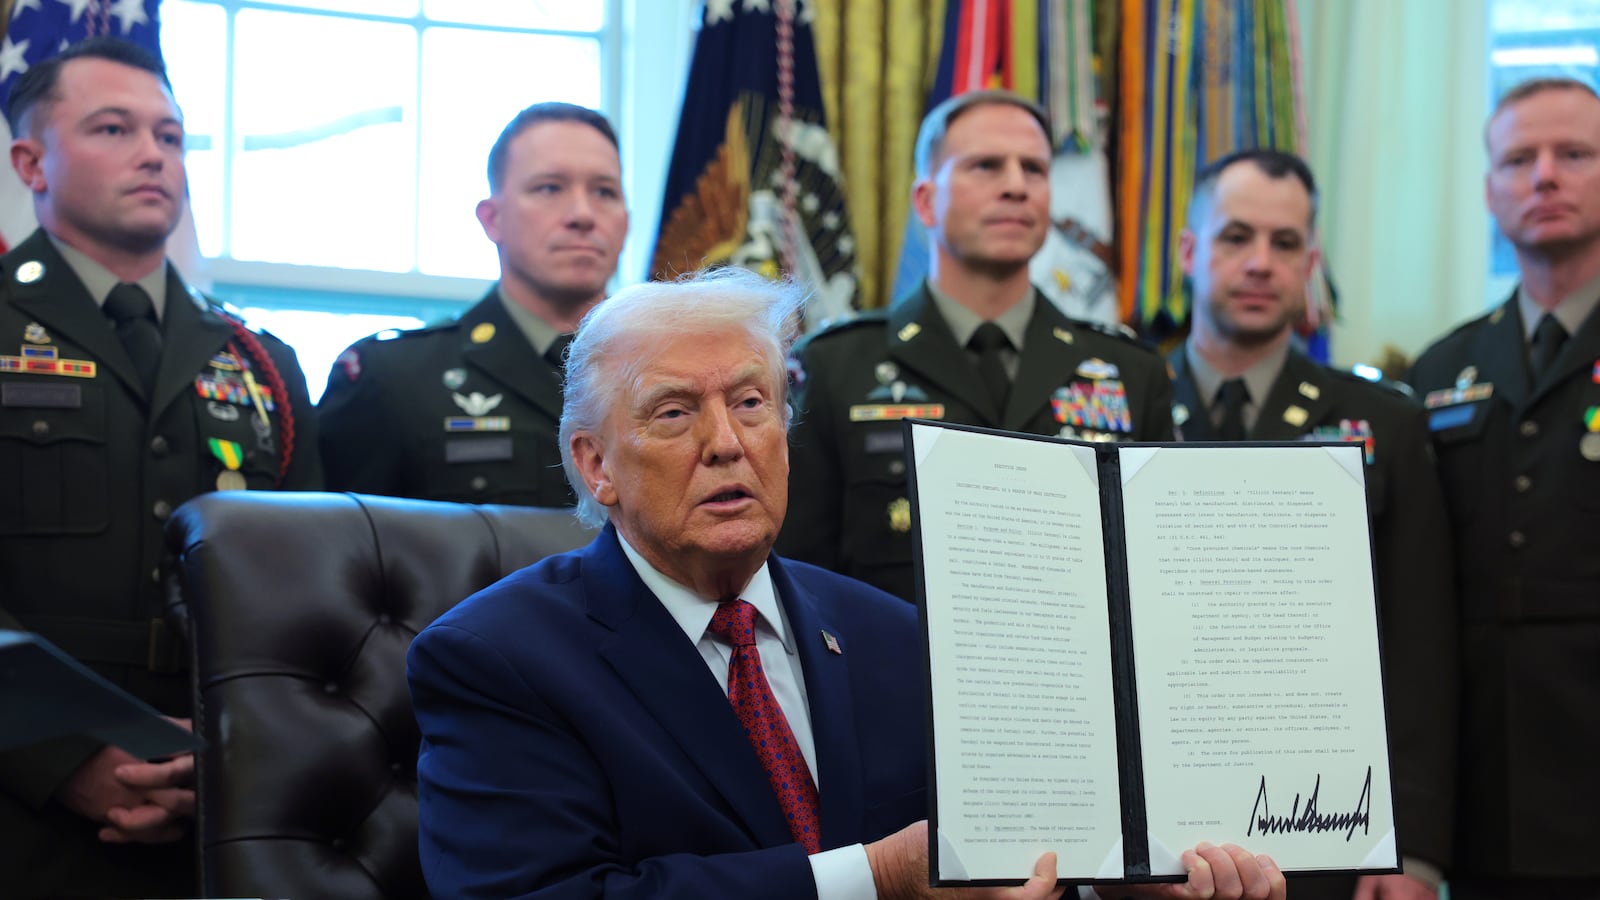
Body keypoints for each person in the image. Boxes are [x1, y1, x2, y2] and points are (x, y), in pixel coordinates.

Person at [406, 268, 1285, 900]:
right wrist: (879, 877)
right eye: (675, 412)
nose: (727, 442)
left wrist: (1123, 889)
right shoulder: (497, 659)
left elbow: (1008, 855)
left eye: (751, 403)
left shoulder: (894, 635)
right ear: (594, 464)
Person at [0, 37, 321, 897]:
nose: (153, 154)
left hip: (227, 802)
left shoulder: (258, 360)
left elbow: (316, 600)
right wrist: (58, 757)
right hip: (19, 808)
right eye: (113, 128)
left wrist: (233, 757)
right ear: (30, 160)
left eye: (171, 137)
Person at [1171, 149, 1457, 900]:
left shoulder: (1383, 424)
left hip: (1332, 836)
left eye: (1286, 243)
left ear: (1311, 262)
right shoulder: (1125, 410)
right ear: (1189, 251)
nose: (1261, 263)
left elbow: (1422, 643)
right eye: (1236, 237)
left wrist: (1415, 849)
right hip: (1159, 841)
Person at [780, 90, 1173, 603]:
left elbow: (1153, 579)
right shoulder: (837, 368)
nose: (1016, 186)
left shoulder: (1129, 372)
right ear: (925, 200)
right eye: (986, 166)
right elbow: (801, 583)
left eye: (1034, 169)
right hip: (897, 677)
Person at [1406, 76, 1600, 900]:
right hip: (1486, 799)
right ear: (1489, 190)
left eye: (1574, 154)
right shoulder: (1444, 369)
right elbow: (1417, 602)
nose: (1544, 176)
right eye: (1519, 158)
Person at [318, 102, 627, 505]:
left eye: (604, 192)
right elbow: (336, 552)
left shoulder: (670, 374)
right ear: (492, 219)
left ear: (626, 221)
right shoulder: (395, 379)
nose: (583, 215)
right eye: (549, 188)